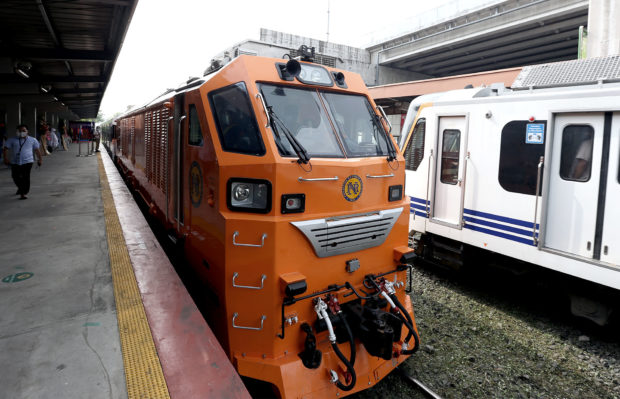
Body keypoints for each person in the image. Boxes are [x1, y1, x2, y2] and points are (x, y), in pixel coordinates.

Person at [3, 124, 42, 199]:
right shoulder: (12, 139)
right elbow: (5, 148)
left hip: (28, 161)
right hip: (15, 162)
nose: (21, 132)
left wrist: (40, 160)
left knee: (25, 177)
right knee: (15, 177)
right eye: (19, 131)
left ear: (27, 131)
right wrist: (5, 158)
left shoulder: (32, 140)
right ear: (17, 131)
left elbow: (37, 150)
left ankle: (23, 193)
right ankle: (21, 188)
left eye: (23, 131)